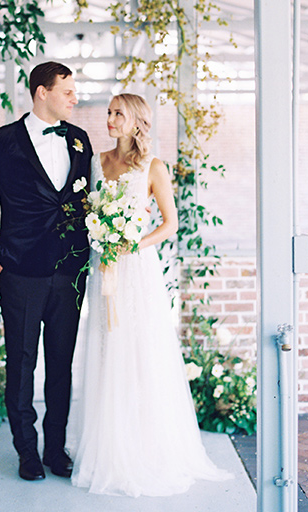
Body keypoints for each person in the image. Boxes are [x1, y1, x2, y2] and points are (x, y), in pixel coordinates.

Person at [70, 93, 231, 497]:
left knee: (140, 350)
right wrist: (101, 236)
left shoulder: (153, 166)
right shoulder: (96, 162)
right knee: (105, 348)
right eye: (108, 113)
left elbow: (170, 225)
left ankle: (143, 447)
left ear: (137, 120)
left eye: (117, 113)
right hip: (102, 266)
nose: (109, 119)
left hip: (136, 270)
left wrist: (132, 243)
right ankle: (106, 446)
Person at [0, 61, 93, 482]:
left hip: (70, 272)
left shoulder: (79, 140)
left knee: (61, 364)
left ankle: (55, 450)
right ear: (42, 92)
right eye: (67, 91)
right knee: (20, 365)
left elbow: (87, 201)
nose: (75, 98)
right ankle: (27, 453)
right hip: (20, 271)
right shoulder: (1, 142)